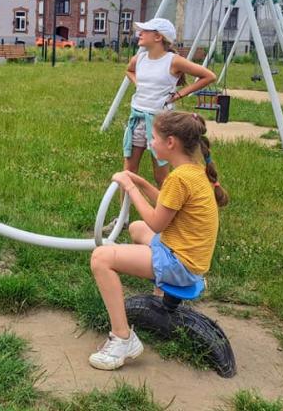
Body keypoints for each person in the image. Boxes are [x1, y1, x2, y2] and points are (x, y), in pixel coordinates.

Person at [89, 111, 228, 371]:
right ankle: (160, 294)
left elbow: (157, 222)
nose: (151, 143)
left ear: (171, 142)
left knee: (101, 258)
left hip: (181, 265)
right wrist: (140, 182)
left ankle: (122, 339)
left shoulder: (179, 178)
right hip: (190, 258)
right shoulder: (194, 172)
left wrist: (130, 188)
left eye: (154, 138)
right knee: (137, 228)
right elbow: (166, 205)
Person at [123, 18, 216, 186]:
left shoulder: (173, 60)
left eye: (145, 31)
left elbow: (209, 76)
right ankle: (124, 213)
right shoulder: (139, 59)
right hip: (137, 120)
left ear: (158, 37)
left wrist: (180, 94)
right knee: (129, 171)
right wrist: (138, 83)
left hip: (161, 123)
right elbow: (129, 70)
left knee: (161, 175)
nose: (140, 34)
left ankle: (165, 210)